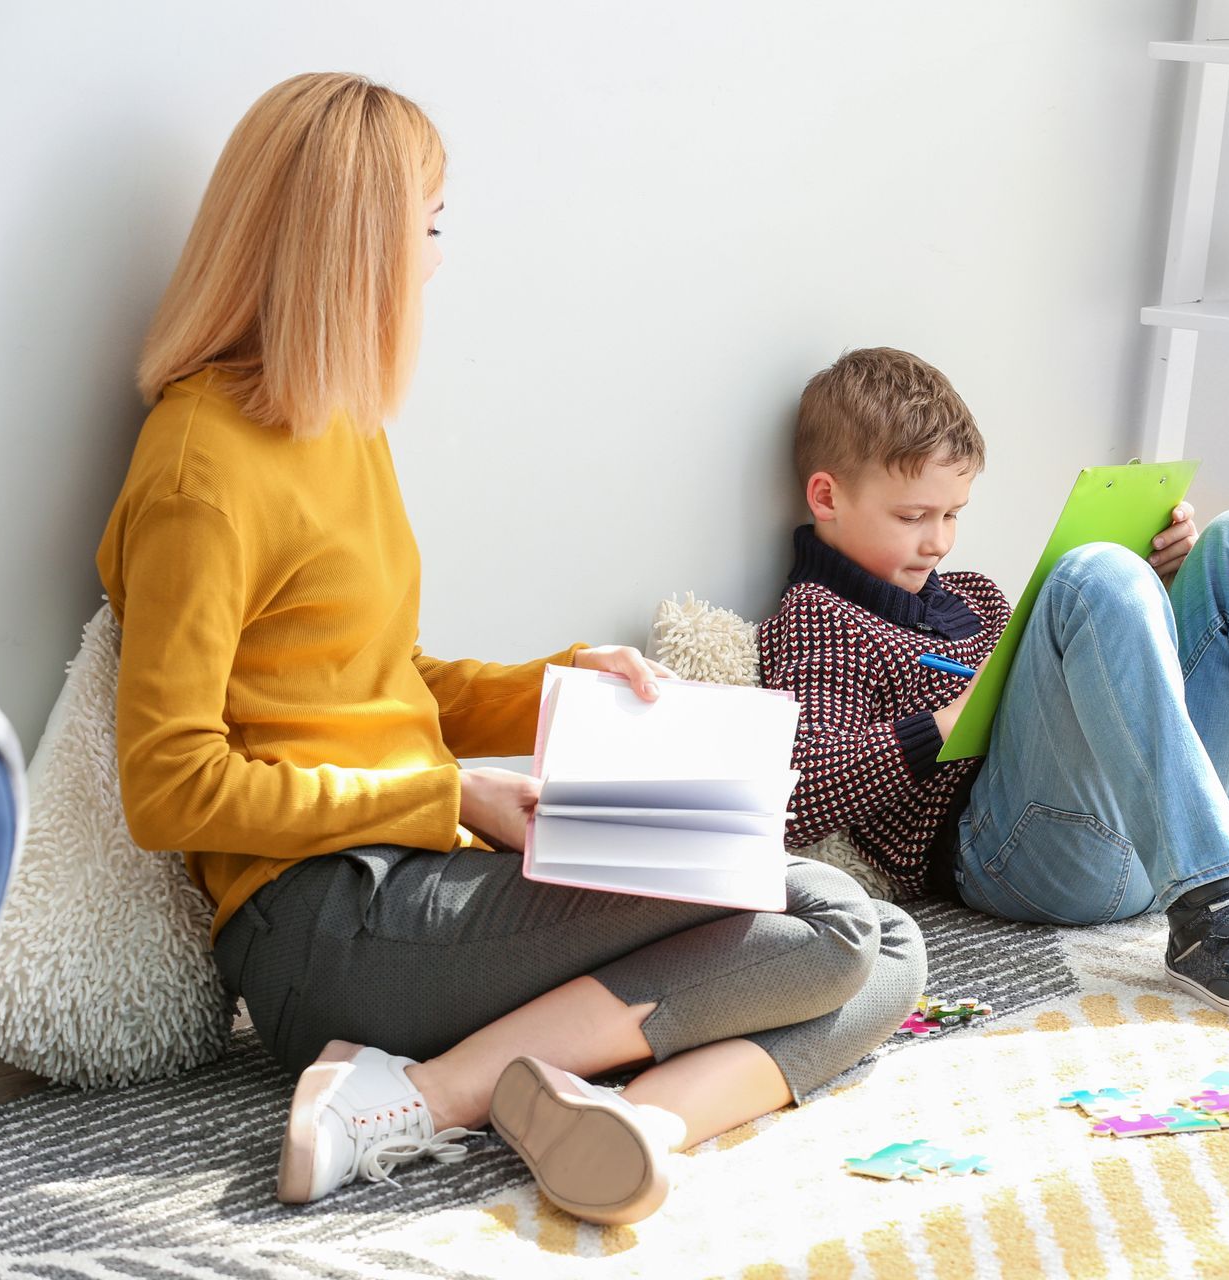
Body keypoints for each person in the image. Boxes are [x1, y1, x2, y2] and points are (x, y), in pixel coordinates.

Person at [97, 74, 924, 1225]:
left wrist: (555, 685)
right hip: (322, 927)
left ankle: (633, 1121)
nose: (437, 260)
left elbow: (379, 678)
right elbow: (169, 783)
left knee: (884, 941)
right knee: (828, 922)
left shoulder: (334, 425)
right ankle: (423, 1096)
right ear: (354, 246)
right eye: (427, 228)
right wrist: (451, 791)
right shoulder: (200, 469)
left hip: (418, 874)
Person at [757, 347, 1229, 1026]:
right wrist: (942, 722)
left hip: (1144, 830)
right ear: (827, 497)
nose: (938, 540)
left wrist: (1148, 597)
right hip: (1011, 862)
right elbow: (797, 798)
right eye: (913, 515)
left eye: (954, 514)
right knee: (1089, 575)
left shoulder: (975, 594)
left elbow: (1095, 716)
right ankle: (1215, 917)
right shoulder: (817, 618)